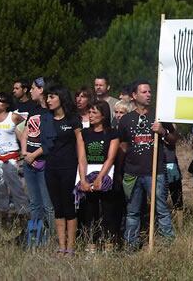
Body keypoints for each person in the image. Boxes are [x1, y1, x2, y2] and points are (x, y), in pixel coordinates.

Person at [117, 81, 176, 250]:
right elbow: (123, 146)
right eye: (144, 92)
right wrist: (119, 172)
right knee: (132, 212)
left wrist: (163, 132)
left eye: (150, 91)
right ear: (134, 96)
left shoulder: (159, 116)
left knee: (161, 210)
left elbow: (174, 140)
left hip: (155, 172)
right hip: (132, 173)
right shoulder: (126, 120)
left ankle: (168, 245)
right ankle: (131, 245)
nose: (149, 94)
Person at [43, 84, 87, 256]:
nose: (48, 100)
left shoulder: (73, 119)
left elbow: (80, 144)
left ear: (61, 98)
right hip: (50, 168)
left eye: (52, 97)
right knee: (57, 207)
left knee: (69, 207)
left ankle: (71, 247)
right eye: (47, 97)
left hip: (69, 167)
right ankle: (61, 246)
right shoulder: (46, 118)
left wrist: (82, 170)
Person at [78, 100, 122, 253]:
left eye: (94, 113)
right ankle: (91, 244)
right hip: (88, 174)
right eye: (89, 112)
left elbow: (110, 158)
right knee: (90, 212)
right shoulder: (84, 133)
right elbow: (82, 158)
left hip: (106, 175)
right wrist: (83, 179)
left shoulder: (112, 133)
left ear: (103, 116)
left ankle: (109, 244)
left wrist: (100, 177)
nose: (90, 115)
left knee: (108, 211)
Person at [20, 77, 55, 234]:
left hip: (44, 162)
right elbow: (25, 132)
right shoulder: (33, 110)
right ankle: (36, 236)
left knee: (48, 204)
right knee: (34, 202)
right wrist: (25, 153)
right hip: (28, 161)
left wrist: (34, 155)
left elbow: (50, 141)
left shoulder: (51, 111)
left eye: (33, 88)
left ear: (41, 89)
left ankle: (54, 237)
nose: (31, 90)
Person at [0, 92, 29, 222]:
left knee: (16, 188)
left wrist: (25, 148)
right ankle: (4, 218)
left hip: (11, 157)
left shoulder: (14, 117)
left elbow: (25, 130)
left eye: (1, 100)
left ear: (7, 103)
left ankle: (24, 216)